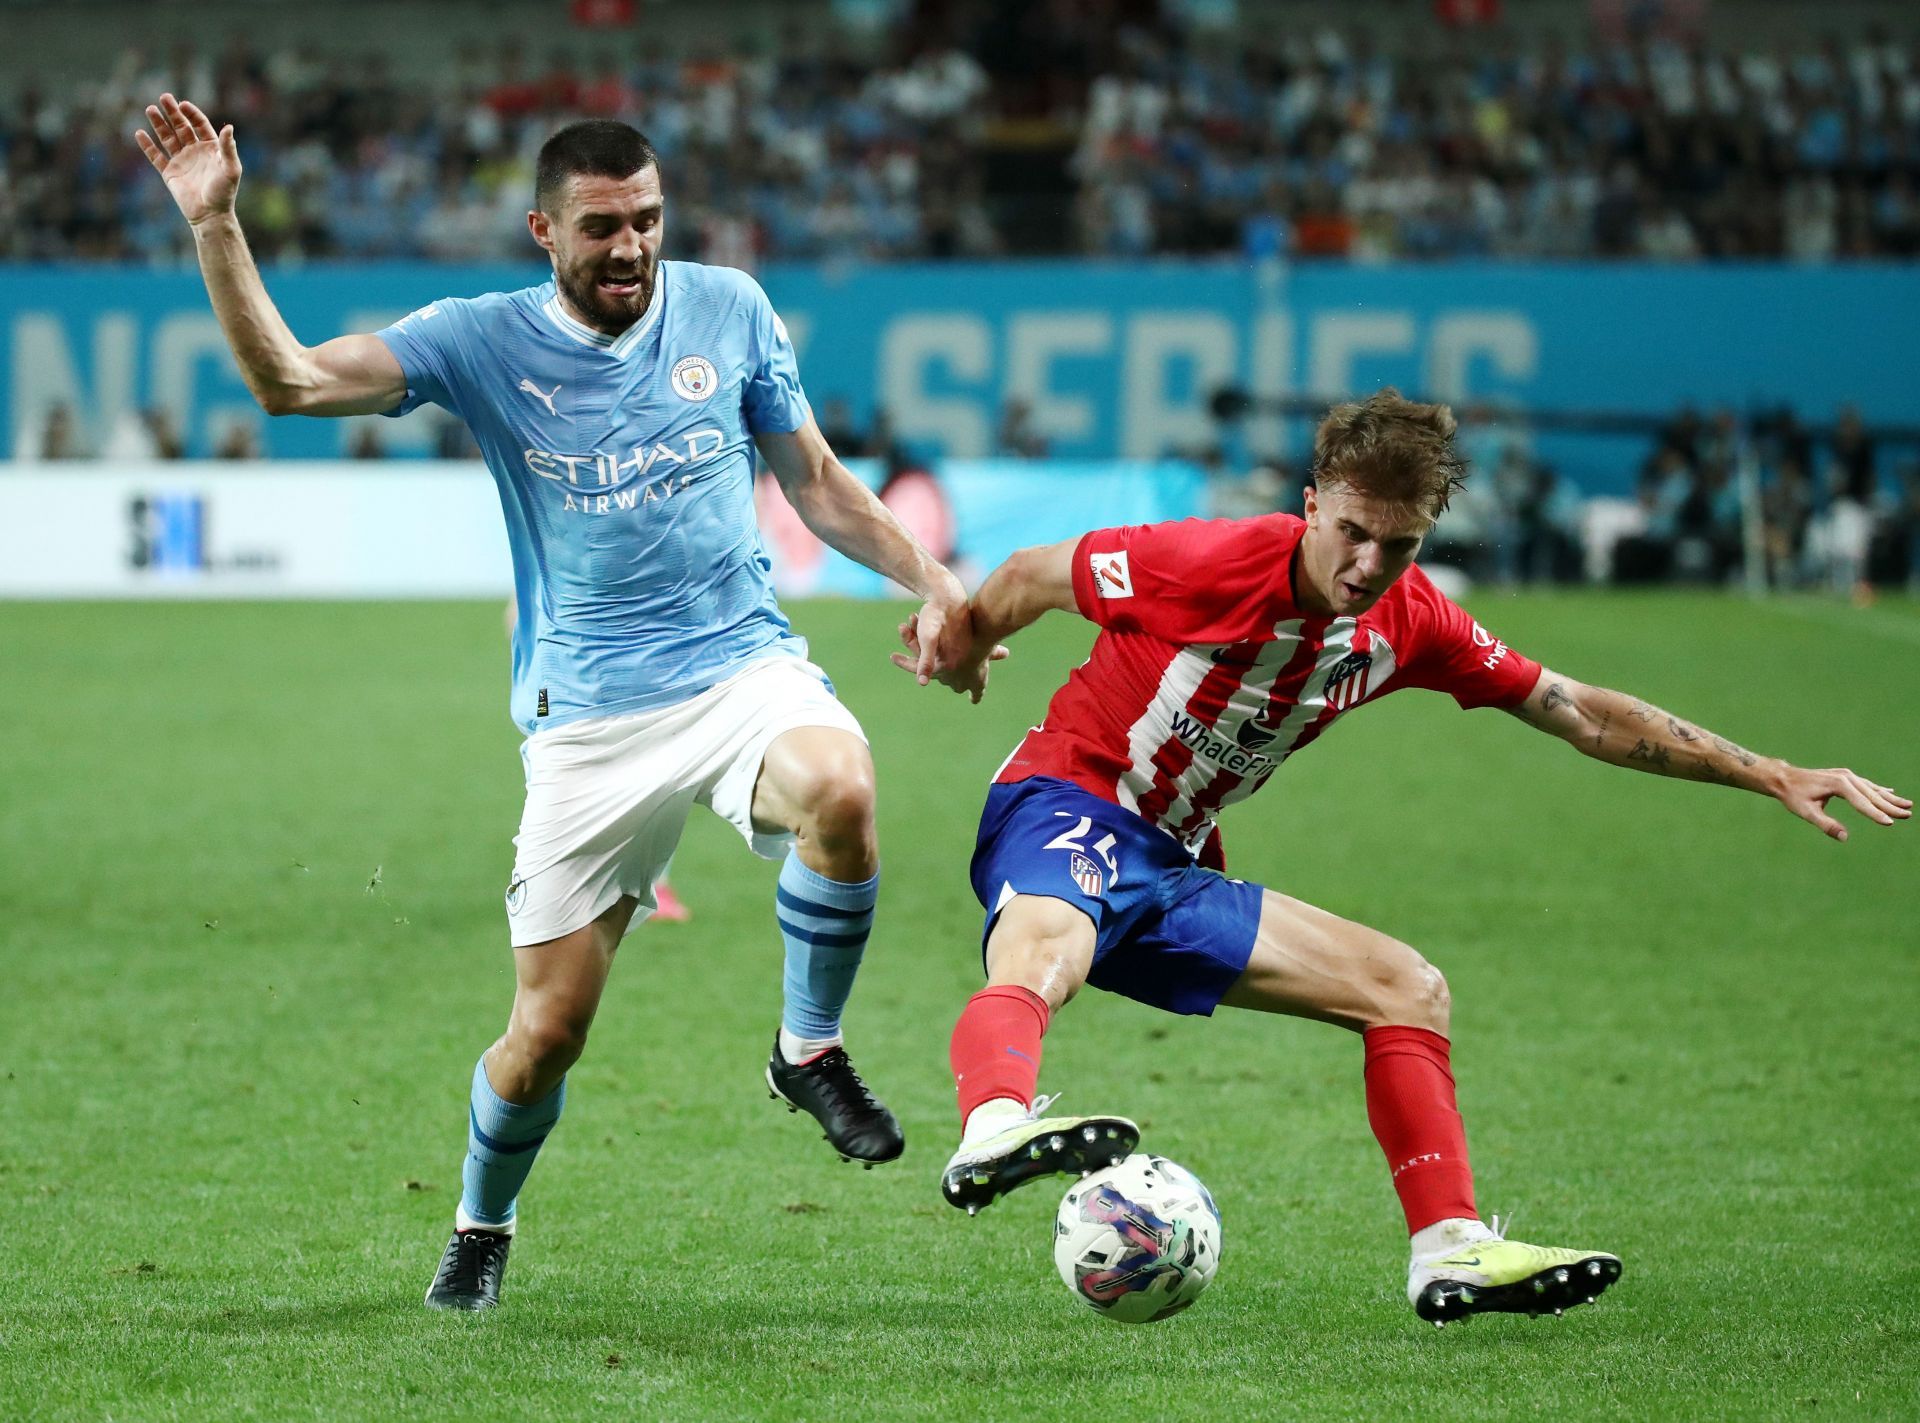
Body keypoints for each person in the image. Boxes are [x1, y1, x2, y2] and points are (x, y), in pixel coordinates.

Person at [135, 95, 973, 1310]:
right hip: (586, 721)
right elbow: (294, 382)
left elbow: (820, 482)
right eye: (601, 227)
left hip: (740, 667)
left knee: (842, 787)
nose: (630, 246)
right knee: (544, 1040)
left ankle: (809, 1048)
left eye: (646, 220)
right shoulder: (479, 339)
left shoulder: (729, 307)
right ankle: (483, 1222)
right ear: (544, 229)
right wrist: (217, 224)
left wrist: (935, 581)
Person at [897, 389, 1908, 1325]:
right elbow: (1034, 572)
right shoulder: (1206, 561)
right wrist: (969, 640)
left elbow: (1579, 712)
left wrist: (1764, 767)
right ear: (1311, 505)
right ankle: (994, 1126)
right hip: (1067, 796)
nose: (1369, 564)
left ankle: (1449, 1246)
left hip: (1172, 863)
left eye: (1401, 543)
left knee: (1405, 986)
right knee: (1046, 944)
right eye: (1351, 533)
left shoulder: (1412, 620)